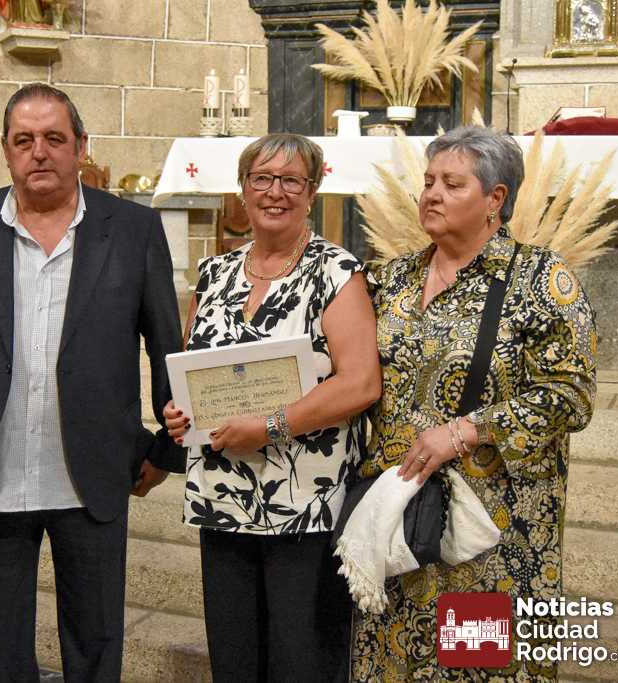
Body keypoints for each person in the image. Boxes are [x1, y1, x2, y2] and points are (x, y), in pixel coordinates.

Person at [0, 83, 185, 682]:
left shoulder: (132, 229)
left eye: (54, 138)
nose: (39, 152)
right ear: (5, 150)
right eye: (24, 140)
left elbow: (166, 343)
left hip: (93, 467)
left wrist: (167, 449)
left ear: (81, 147)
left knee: (95, 640)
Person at [353, 126, 597, 680]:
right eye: (428, 182)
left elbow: (572, 394)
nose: (432, 194)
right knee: (395, 661)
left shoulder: (540, 279)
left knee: (476, 664)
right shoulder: (392, 278)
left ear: (495, 198)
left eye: (452, 183)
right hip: (400, 517)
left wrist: (466, 431)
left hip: (490, 533)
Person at [163, 132, 382, 681]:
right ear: (243, 189)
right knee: (235, 659)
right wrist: (179, 413)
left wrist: (269, 426)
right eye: (262, 178)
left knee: (299, 660)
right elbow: (195, 372)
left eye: (290, 181)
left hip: (306, 504)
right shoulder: (214, 274)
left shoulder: (337, 273)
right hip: (224, 500)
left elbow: (361, 384)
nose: (275, 192)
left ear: (312, 192)